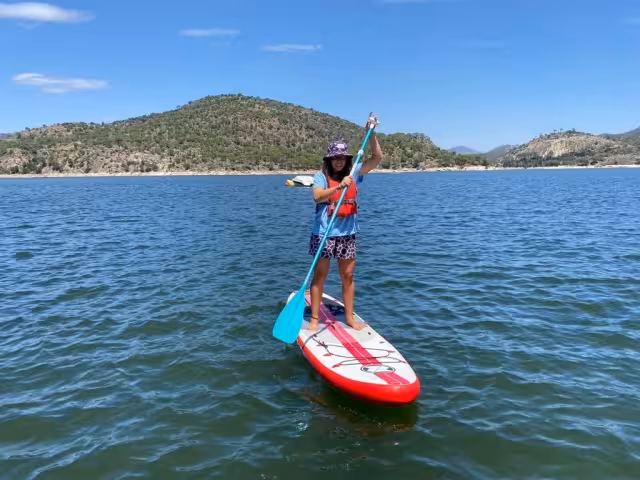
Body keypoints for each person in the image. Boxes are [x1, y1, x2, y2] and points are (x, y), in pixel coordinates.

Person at [308, 118, 383, 331]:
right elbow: (317, 197)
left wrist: (371, 132)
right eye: (335, 158)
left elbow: (377, 157)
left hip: (348, 233)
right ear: (329, 160)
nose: (339, 161)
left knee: (348, 276)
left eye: (342, 157)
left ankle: (349, 318)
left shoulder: (354, 173)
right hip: (324, 233)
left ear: (346, 159)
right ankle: (314, 318)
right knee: (320, 275)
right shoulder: (320, 176)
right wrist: (339, 187)